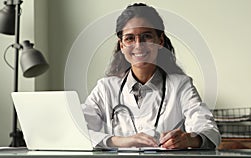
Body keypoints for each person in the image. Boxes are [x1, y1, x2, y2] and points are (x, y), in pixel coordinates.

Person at [82, 3, 220, 149]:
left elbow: (210, 131)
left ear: (160, 41)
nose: (138, 45)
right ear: (122, 45)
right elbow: (76, 130)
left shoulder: (181, 85)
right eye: (129, 38)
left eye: (146, 36)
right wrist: (120, 141)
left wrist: (189, 139)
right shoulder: (105, 88)